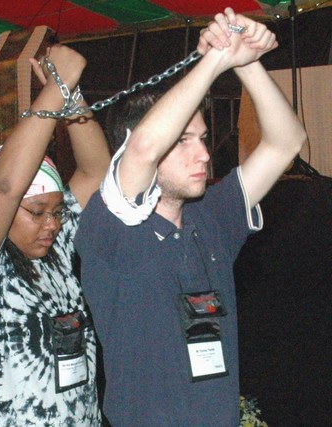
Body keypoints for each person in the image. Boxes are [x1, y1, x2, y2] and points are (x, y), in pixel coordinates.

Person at [74, 9, 307, 425]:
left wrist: (246, 61)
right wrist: (216, 57)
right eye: (182, 141)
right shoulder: (110, 227)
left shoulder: (210, 216)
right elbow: (144, 147)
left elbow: (286, 143)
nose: (203, 154)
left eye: (202, 139)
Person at [0, 44, 110, 425]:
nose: (52, 224)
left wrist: (71, 95)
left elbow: (97, 173)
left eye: (57, 212)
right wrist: (55, 88)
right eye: (36, 212)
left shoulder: (54, 247)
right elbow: (6, 188)